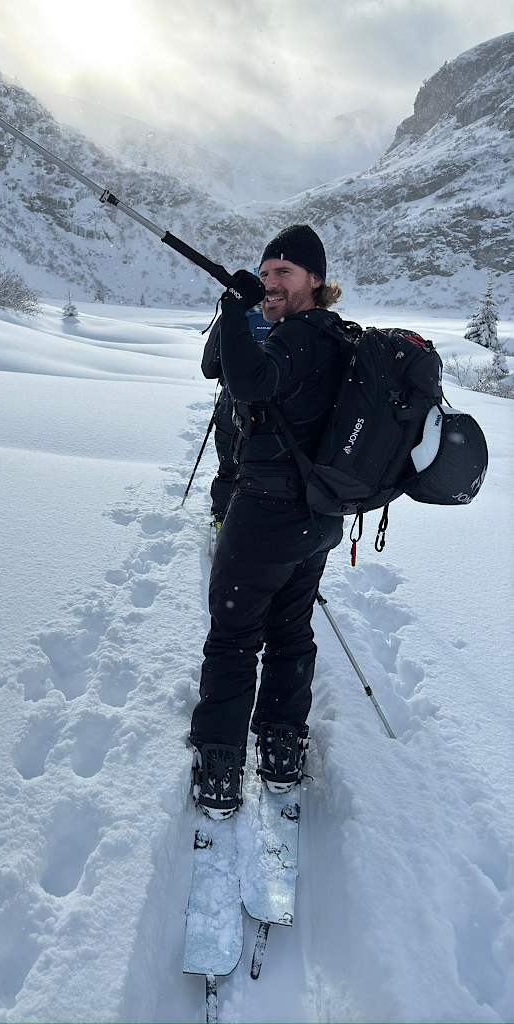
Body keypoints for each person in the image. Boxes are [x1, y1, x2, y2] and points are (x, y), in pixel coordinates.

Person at [190, 224, 346, 819]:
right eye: (266, 270)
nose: (270, 281)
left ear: (314, 280)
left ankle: (222, 761)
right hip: (318, 518)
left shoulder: (300, 337)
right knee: (290, 628)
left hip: (266, 515)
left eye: (285, 272)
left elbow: (248, 381)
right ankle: (281, 748)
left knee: (233, 634)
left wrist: (233, 309)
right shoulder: (332, 336)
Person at [202, 305, 271, 539]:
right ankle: (260, 525)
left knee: (229, 468)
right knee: (270, 472)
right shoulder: (295, 318)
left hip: (232, 409)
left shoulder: (235, 316)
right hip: (278, 417)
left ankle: (222, 520)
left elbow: (209, 368)